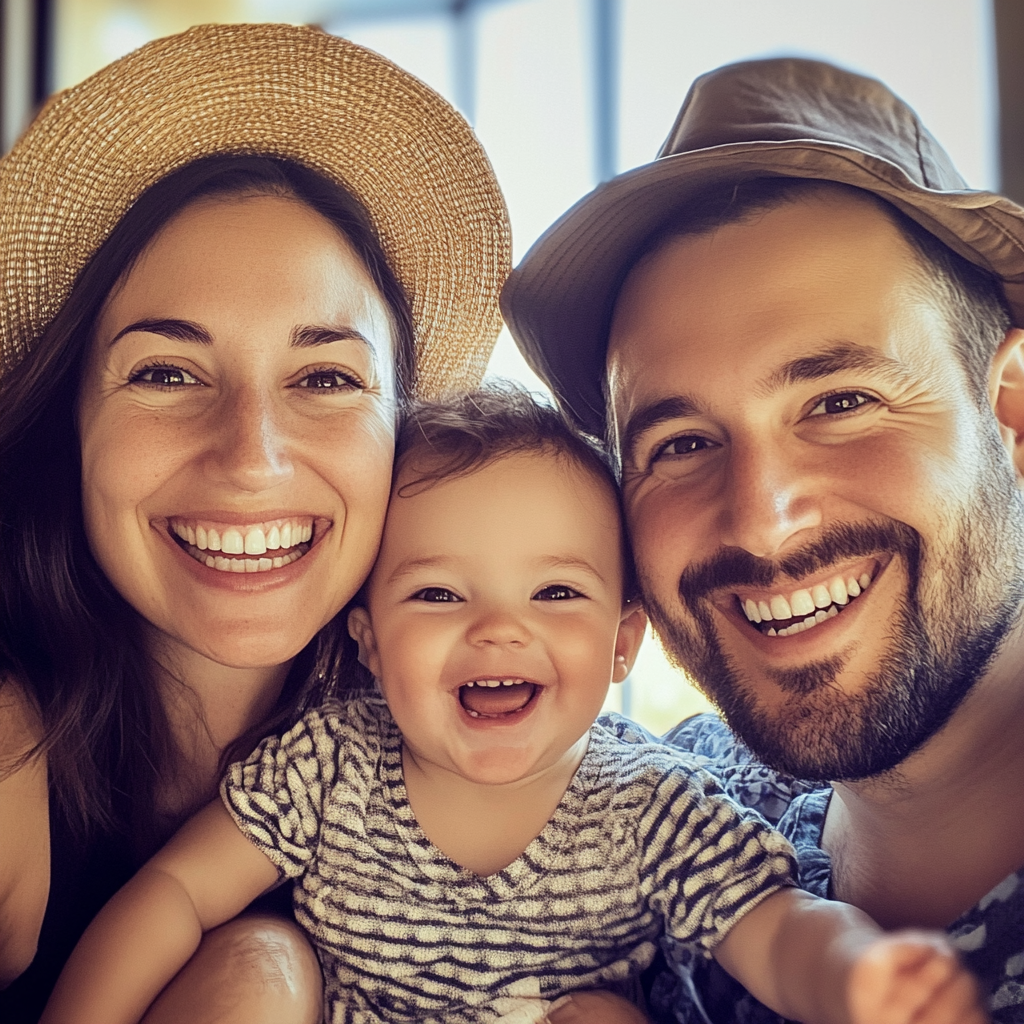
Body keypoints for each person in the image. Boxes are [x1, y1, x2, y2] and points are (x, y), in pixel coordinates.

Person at [41, 386, 987, 1024]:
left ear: (624, 643)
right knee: (255, 958)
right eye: (439, 595)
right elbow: (170, 894)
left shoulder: (651, 805)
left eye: (556, 595)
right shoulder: (327, 764)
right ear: (366, 640)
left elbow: (778, 927)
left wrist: (860, 976)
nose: (499, 632)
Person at [0, 23, 510, 1024]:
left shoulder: (479, 743)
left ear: (400, 438)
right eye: (166, 372)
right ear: (73, 419)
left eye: (325, 377)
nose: (251, 456)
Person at [502, 57, 1024, 1023]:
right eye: (683, 443)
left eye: (839, 402)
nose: (760, 516)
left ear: (1011, 413)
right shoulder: (651, 804)